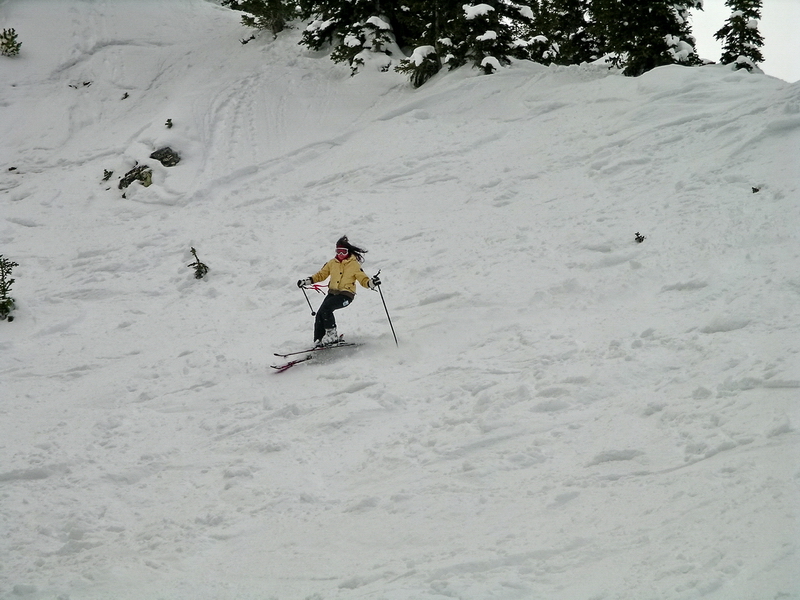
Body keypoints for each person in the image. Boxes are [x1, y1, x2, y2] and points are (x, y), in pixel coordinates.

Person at [297, 236, 381, 347]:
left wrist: (371, 283)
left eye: (344, 251)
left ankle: (332, 336)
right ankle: (318, 340)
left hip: (346, 295)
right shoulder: (332, 263)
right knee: (320, 314)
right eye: (338, 251)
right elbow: (321, 275)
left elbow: (363, 279)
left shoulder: (354, 264)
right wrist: (307, 281)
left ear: (348, 252)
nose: (341, 254)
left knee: (327, 308)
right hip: (333, 293)